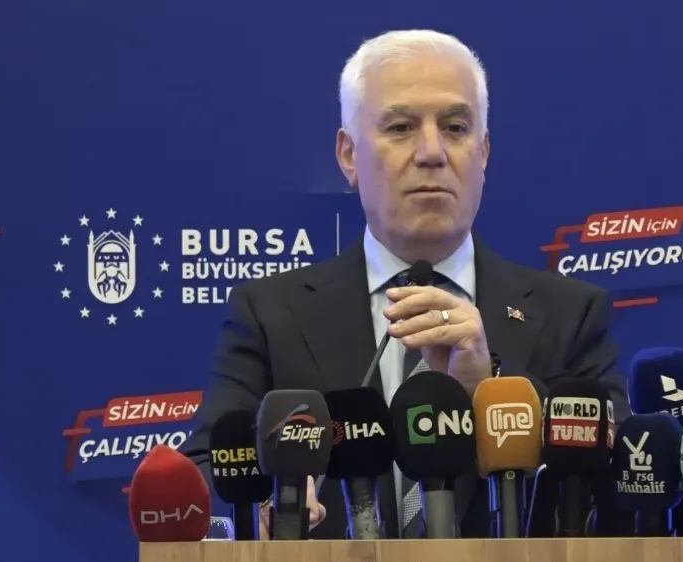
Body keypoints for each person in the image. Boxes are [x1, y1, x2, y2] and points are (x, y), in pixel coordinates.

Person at [182, 28, 631, 539]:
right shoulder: (270, 314)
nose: (432, 152)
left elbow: (619, 489)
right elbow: (205, 473)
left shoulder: (573, 314)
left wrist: (488, 386)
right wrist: (264, 506)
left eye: (456, 128)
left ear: (483, 152)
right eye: (400, 127)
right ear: (348, 155)